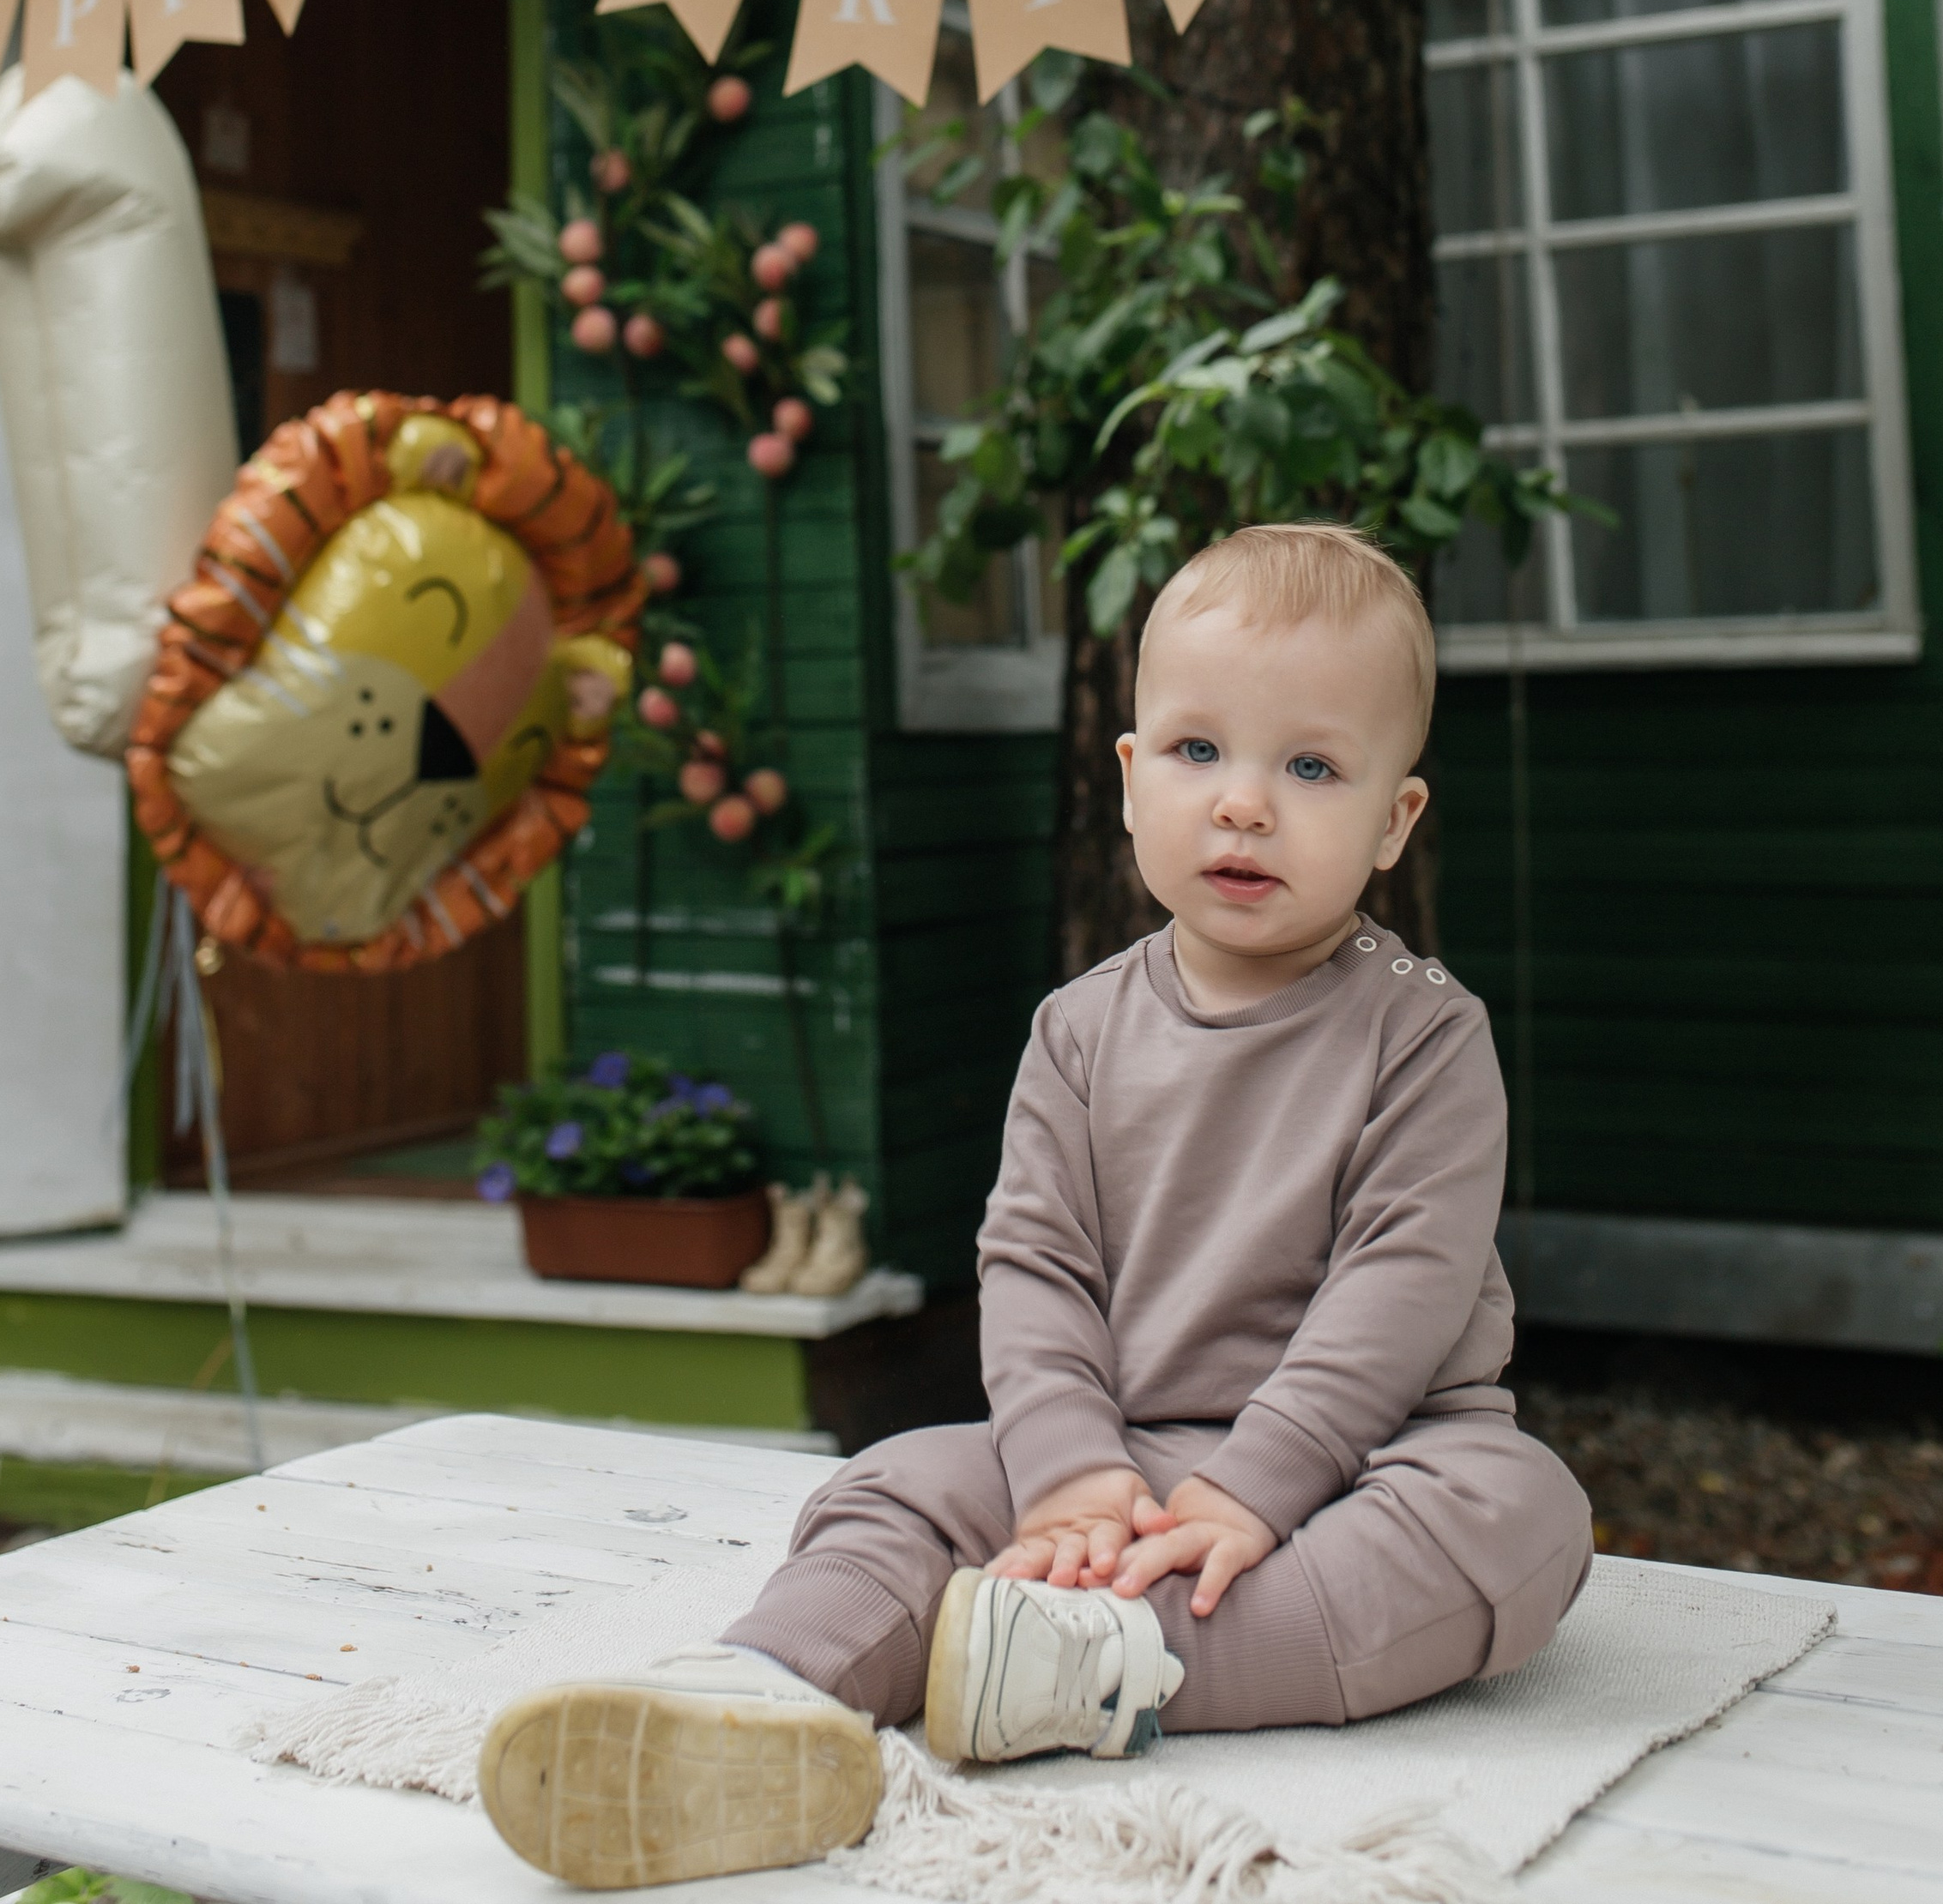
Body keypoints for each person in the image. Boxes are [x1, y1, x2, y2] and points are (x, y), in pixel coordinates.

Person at [479, 523, 1592, 1889]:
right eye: (1198, 751)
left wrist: (1262, 1480)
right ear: (1128, 781)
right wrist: (1067, 1463)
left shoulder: (1422, 1035)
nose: (1243, 803)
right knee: (896, 1483)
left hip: (1365, 1464)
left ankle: (1105, 1661)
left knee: (1522, 1517)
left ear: (1393, 819)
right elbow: (1035, 1264)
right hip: (1121, 1458)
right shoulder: (1078, 1030)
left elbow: (1404, 1286)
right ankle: (758, 1695)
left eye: (1309, 767)